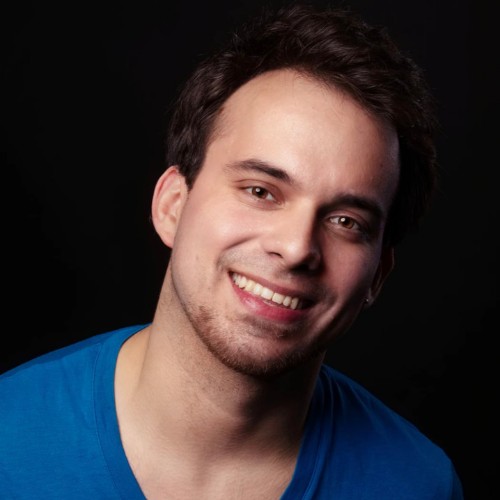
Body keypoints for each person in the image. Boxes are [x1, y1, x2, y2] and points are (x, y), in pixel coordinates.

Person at [0, 2, 464, 499]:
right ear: (173, 206)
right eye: (261, 191)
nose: (295, 247)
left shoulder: (419, 485)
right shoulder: (9, 438)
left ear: (378, 276)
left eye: (346, 222)